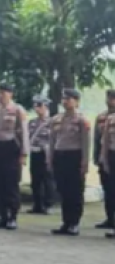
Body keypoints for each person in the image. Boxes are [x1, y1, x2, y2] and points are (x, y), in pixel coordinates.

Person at [48, 88, 91, 236]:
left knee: (75, 191)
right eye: (64, 99)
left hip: (75, 156)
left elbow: (86, 143)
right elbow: (52, 141)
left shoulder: (81, 120)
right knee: (63, 190)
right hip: (60, 156)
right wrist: (50, 159)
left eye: (69, 99)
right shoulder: (56, 119)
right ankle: (66, 222)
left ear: (76, 101)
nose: (65, 101)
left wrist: (85, 162)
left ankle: (74, 223)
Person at [0, 83, 29, 230]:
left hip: (11, 148)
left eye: (4, 93)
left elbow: (24, 132)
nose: (1, 95)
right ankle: (2, 216)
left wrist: (24, 153)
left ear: (11, 94)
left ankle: (13, 216)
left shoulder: (17, 110)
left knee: (11, 184)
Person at [27, 96, 55, 214]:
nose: (37, 108)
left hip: (46, 153)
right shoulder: (32, 122)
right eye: (35, 105)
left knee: (47, 179)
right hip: (35, 152)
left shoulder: (52, 122)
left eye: (39, 105)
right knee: (35, 180)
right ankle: (37, 204)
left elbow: (53, 139)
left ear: (46, 107)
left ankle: (47, 204)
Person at [94, 90, 115, 229]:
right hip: (105, 155)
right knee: (108, 189)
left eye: (112, 98)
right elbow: (97, 139)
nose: (110, 101)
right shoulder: (101, 117)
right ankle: (110, 218)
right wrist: (97, 157)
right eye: (109, 98)